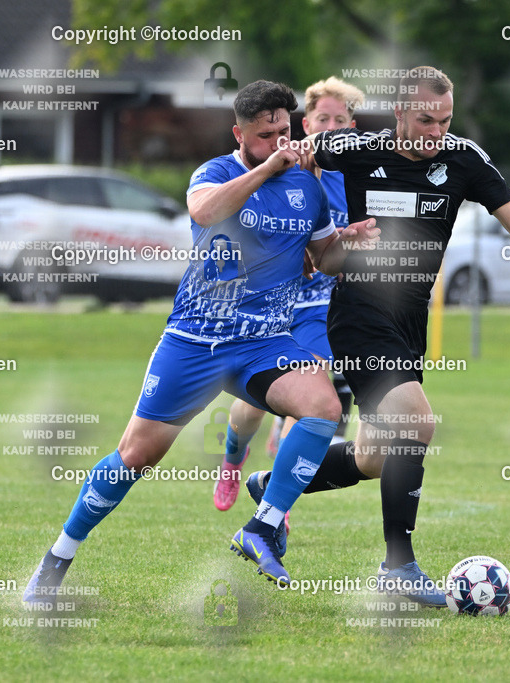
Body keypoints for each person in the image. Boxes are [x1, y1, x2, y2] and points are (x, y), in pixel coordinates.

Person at [22, 79, 379, 600]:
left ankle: (262, 527)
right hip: (196, 342)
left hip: (262, 341)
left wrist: (350, 244)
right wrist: (265, 170)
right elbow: (204, 212)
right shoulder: (218, 172)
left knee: (322, 407)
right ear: (239, 135)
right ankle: (58, 558)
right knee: (136, 456)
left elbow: (321, 260)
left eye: (284, 131)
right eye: (265, 135)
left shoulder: (308, 185)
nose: (280, 142)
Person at [248, 66, 510, 606]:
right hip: (358, 318)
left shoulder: (463, 160)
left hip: (408, 329)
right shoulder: (353, 149)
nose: (436, 132)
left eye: (445, 120)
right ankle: (398, 565)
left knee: (373, 458)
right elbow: (285, 160)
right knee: (418, 422)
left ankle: (280, 483)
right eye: (426, 120)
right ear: (400, 113)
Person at [212, 77, 365, 528]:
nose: (332, 127)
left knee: (313, 397)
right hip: (276, 304)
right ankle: (233, 460)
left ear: (352, 127)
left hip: (323, 308)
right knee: (250, 408)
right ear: (305, 124)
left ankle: (277, 498)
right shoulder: (286, 167)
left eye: (341, 121)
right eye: (323, 119)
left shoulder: (353, 179)